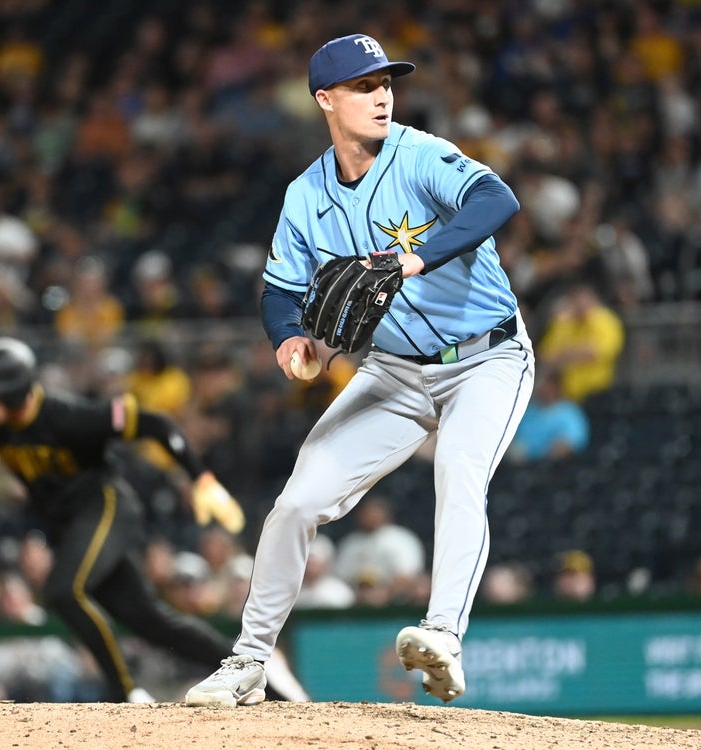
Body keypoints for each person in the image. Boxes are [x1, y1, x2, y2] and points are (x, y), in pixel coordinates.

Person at [185, 33, 534, 707]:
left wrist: (414, 259)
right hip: (394, 372)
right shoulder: (305, 195)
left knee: (458, 470)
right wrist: (289, 339)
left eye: (385, 84)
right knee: (296, 503)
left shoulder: (420, 154)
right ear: (325, 100)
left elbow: (497, 201)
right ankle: (249, 661)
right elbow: (280, 290)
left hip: (486, 358)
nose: (381, 97)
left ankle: (443, 634)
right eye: (363, 87)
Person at [0, 336, 296, 703]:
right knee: (151, 621)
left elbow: (154, 424)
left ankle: (126, 692)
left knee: (62, 591)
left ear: (14, 393)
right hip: (67, 525)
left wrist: (200, 478)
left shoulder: (68, 417)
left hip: (105, 508)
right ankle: (266, 686)